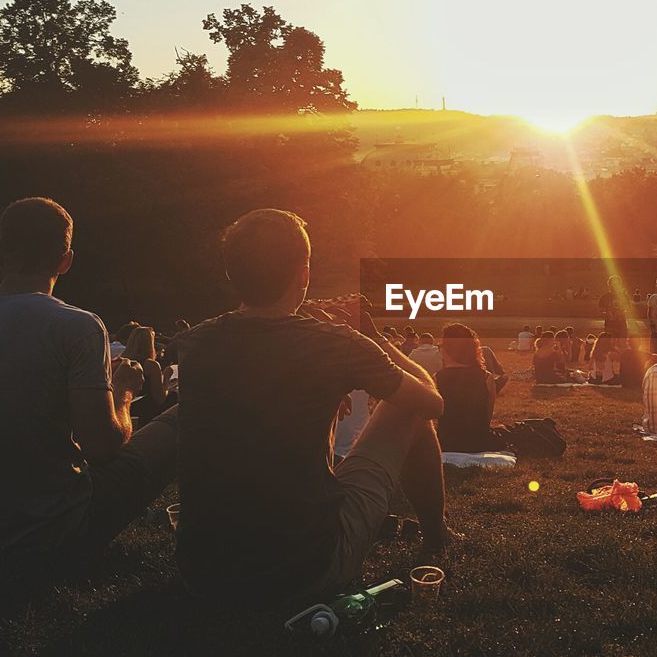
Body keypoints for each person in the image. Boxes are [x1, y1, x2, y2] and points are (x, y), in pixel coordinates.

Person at [174, 209, 453, 607]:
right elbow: (432, 402)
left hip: (202, 572)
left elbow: (260, 371)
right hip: (303, 571)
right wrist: (371, 340)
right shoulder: (335, 343)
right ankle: (436, 535)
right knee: (406, 407)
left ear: (231, 274)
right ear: (303, 273)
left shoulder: (195, 343)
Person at [0, 197, 175, 553]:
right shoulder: (77, 326)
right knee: (183, 418)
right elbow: (100, 448)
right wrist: (124, 392)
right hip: (54, 530)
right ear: (66, 261)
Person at [435, 324, 505, 452]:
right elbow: (486, 417)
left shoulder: (437, 379)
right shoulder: (486, 378)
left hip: (447, 442)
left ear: (445, 349)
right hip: (478, 442)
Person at [121, 325, 171, 423]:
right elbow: (160, 400)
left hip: (125, 411)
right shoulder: (151, 365)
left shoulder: (121, 362)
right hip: (145, 414)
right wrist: (166, 378)